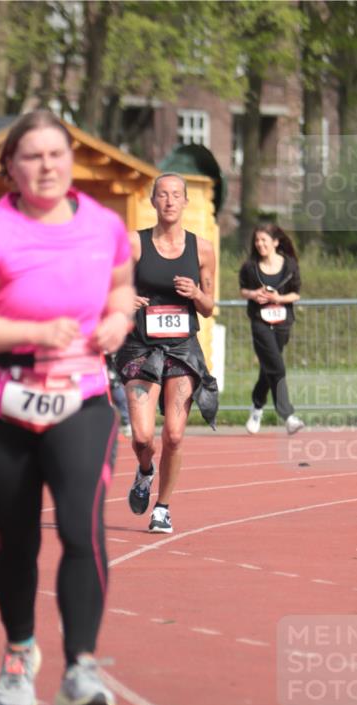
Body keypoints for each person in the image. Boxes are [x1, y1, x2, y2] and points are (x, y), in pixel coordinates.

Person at [0, 109, 134, 705]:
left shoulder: (104, 225)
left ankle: (81, 666)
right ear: (10, 168)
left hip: (80, 399)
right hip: (0, 404)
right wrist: (33, 331)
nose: (46, 166)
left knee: (81, 527)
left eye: (56, 154)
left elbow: (122, 285)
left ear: (71, 161)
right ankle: (20, 652)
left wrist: (119, 319)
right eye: (32, 156)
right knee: (15, 542)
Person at [115, 173, 218, 535]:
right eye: (163, 195)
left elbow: (208, 307)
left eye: (176, 195)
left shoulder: (202, 249)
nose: (170, 201)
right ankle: (145, 470)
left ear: (186, 201)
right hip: (140, 348)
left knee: (173, 435)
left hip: (182, 349)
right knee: (143, 438)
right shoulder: (134, 244)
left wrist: (195, 294)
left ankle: (163, 507)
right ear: (154, 201)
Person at [238, 224, 304, 436]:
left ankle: (257, 408)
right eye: (257, 241)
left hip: (283, 323)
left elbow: (296, 294)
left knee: (268, 367)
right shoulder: (250, 267)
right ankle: (289, 416)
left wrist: (278, 298)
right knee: (277, 368)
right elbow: (243, 291)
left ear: (275, 242)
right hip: (260, 322)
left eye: (264, 240)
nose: (260, 244)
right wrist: (253, 294)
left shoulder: (290, 265)